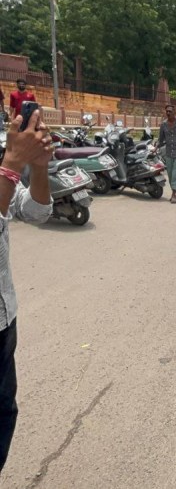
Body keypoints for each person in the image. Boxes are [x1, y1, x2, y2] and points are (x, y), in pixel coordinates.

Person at [0, 109, 53, 473]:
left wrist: (40, 165)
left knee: (4, 415)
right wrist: (12, 163)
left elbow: (35, 212)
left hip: (4, 321)